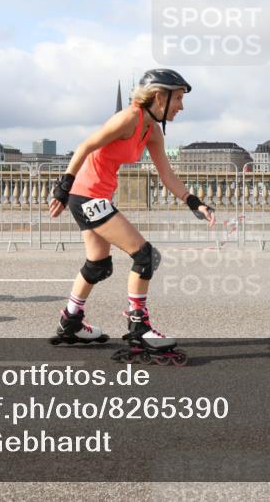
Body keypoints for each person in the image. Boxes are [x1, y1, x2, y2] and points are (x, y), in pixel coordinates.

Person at [48, 69, 215, 365]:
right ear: (159, 97)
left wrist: (193, 201)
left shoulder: (152, 130)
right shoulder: (129, 118)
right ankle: (138, 326)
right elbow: (87, 146)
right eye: (177, 98)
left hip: (94, 196)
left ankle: (71, 320)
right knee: (145, 256)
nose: (181, 106)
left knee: (98, 264)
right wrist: (63, 187)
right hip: (87, 195)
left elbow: (166, 173)